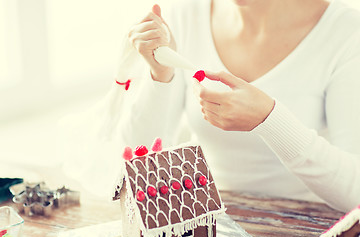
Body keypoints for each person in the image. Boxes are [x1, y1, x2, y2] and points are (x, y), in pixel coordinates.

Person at [120, 0, 360, 212]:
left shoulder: (345, 31)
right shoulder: (184, 16)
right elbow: (137, 162)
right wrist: (160, 75)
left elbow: (355, 192)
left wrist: (270, 120)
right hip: (208, 219)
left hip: (307, 222)